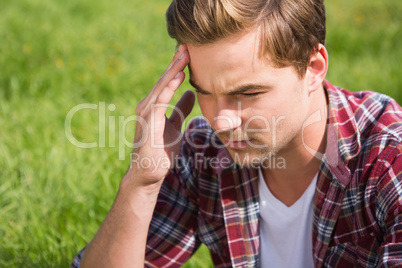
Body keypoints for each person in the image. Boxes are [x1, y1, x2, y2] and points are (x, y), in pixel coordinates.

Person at [72, 0, 402, 267]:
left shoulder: (389, 160)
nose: (223, 122)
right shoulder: (202, 152)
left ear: (313, 67)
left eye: (247, 94)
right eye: (206, 92)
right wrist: (140, 184)